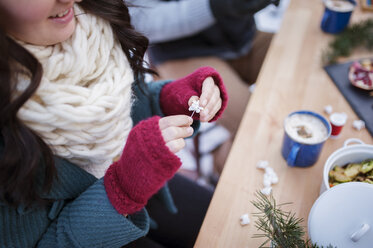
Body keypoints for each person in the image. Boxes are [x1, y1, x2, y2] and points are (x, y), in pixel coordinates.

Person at [0, 0, 228, 247]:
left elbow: (122, 111)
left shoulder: (91, 26)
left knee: (226, 223)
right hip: (94, 225)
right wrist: (122, 190)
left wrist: (170, 99)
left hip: (135, 176)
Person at [128, 0, 279, 173]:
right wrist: (214, 6)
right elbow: (139, 20)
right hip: (181, 52)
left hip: (240, 37)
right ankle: (220, 165)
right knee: (260, 129)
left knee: (301, 65)